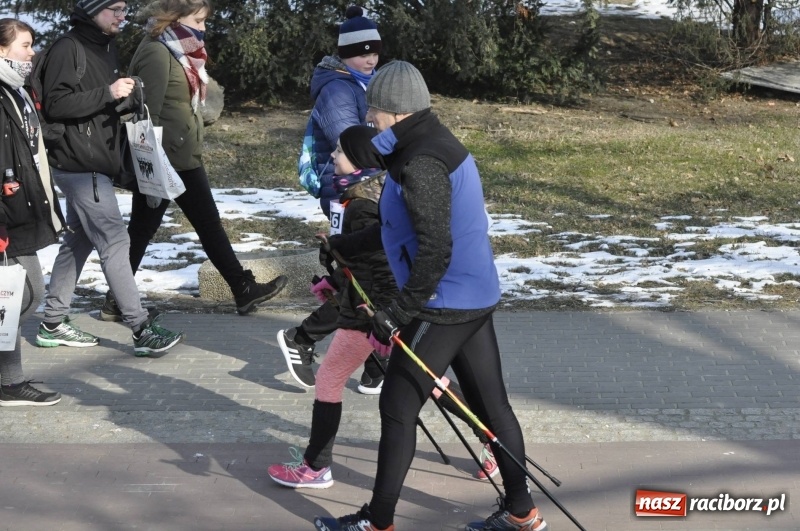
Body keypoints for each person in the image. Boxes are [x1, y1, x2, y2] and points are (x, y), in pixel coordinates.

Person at [314, 61, 547, 531]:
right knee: (493, 407)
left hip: (445, 301)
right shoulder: (424, 140)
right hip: (473, 294)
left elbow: (435, 248)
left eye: (374, 110)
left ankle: (378, 522)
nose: (370, 118)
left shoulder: (421, 163)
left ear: (396, 113)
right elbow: (398, 226)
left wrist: (398, 312)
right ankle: (522, 513)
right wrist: (344, 247)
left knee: (398, 406)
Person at [103, 0, 286, 320]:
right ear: (174, 17)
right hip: (165, 161)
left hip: (181, 155)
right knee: (150, 229)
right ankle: (118, 300)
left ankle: (241, 288)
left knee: (195, 225)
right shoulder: (157, 52)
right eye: (198, 20)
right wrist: (152, 167)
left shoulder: (178, 50)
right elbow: (146, 114)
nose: (203, 28)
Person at [35, 0, 184, 356]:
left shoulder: (104, 46)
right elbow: (56, 104)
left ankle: (52, 323)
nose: (122, 16)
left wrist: (125, 100)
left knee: (78, 243)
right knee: (115, 241)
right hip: (78, 164)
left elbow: (94, 105)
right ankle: (141, 328)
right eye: (114, 8)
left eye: (124, 9)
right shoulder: (68, 47)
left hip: (94, 162)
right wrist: (109, 92)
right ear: (92, 9)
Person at [268, 125, 396, 489]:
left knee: (429, 384)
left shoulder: (363, 206)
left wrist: (384, 316)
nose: (333, 157)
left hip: (373, 317)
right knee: (332, 378)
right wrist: (336, 280)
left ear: (357, 160)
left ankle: (492, 439)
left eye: (340, 151)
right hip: (367, 314)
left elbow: (379, 264)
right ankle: (316, 465)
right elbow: (359, 260)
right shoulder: (360, 197)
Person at [278, 5, 383, 393]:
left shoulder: (365, 82)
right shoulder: (337, 89)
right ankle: (302, 338)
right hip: (344, 190)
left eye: (374, 51)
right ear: (344, 54)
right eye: (361, 53)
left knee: (368, 277)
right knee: (363, 278)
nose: (370, 58)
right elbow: (354, 144)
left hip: (366, 188)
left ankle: (376, 363)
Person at [0, 18, 64, 406]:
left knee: (24, 295)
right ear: (1, 49)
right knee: (15, 298)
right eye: (25, 45)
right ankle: (10, 383)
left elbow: (32, 143)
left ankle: (8, 381)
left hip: (21, 210)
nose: (32, 52)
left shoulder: (17, 91)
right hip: (5, 216)